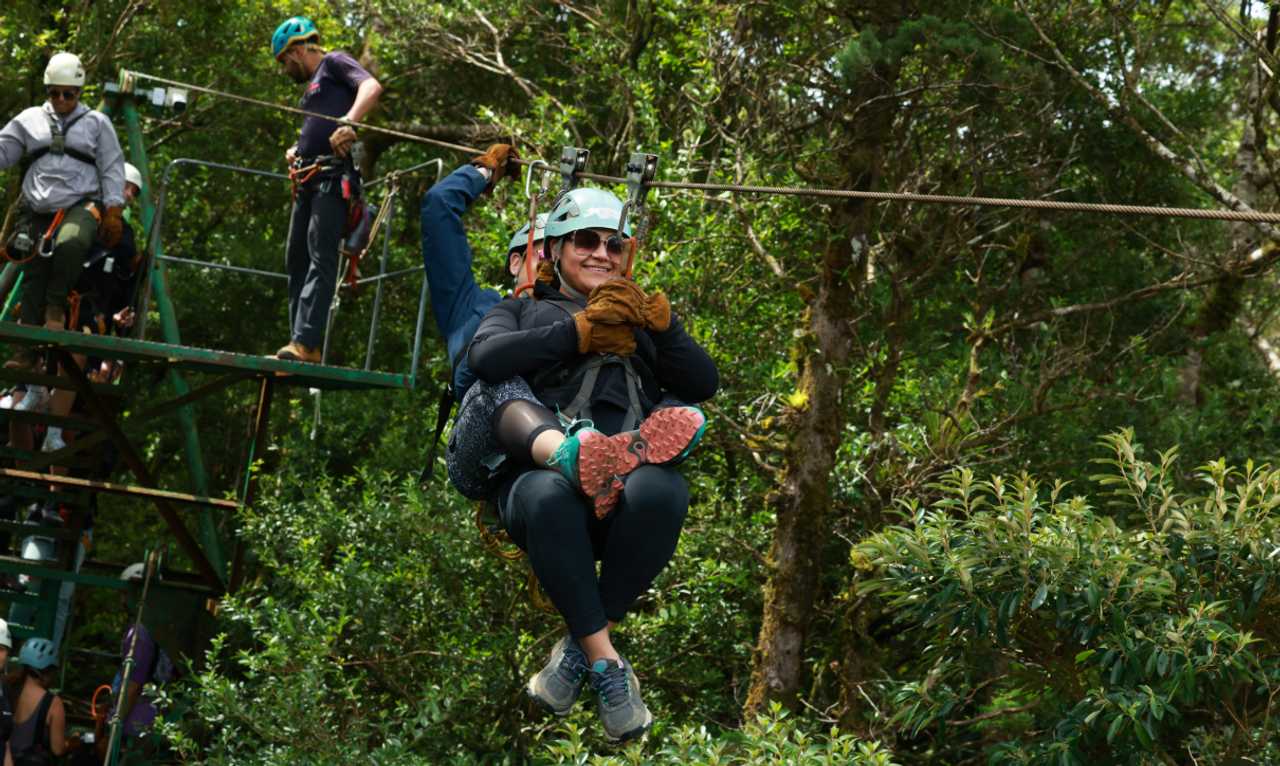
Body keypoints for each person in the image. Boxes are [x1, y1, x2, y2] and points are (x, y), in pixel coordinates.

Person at [467, 187, 717, 742]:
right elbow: (485, 357)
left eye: (615, 245)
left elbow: (704, 382)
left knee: (664, 492)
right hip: (538, 480)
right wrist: (574, 332)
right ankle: (603, 658)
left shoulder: (640, 327)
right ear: (554, 249)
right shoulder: (522, 309)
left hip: (620, 495)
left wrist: (663, 329)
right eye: (585, 241)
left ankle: (581, 652)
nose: (602, 253)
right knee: (545, 493)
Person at [0, 52, 126, 370]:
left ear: (79, 93)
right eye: (54, 92)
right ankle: (24, 355)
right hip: (37, 205)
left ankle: (55, 307)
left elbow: (111, 166)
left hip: (80, 203)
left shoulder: (97, 123)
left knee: (70, 243)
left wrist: (113, 209)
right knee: (33, 272)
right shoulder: (29, 120)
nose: (60, 99)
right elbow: (4, 150)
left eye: (68, 94)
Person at [271, 16, 383, 363]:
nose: (285, 70)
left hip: (332, 180)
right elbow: (318, 125)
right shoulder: (314, 88)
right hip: (308, 178)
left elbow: (371, 87)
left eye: (286, 62)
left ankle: (306, 342)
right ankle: (300, 344)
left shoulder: (334, 61)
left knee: (321, 257)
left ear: (300, 49)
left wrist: (350, 121)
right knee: (296, 259)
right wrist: (298, 147)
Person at [7, 638, 77, 764]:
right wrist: (71, 743)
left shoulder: (8, 690)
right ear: (48, 671)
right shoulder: (53, 703)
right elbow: (58, 749)